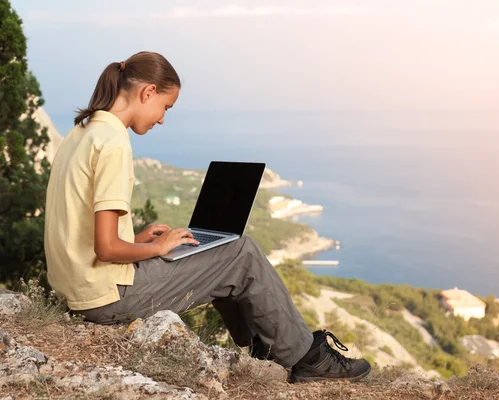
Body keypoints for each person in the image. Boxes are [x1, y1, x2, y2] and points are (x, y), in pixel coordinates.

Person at [44, 51, 371, 383]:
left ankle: (265, 347)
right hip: (107, 298)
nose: (161, 120)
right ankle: (306, 358)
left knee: (213, 254)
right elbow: (106, 249)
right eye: (165, 107)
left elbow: (81, 230)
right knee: (240, 250)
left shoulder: (81, 133)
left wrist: (138, 240)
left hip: (78, 291)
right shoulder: (114, 142)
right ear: (148, 92)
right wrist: (157, 250)